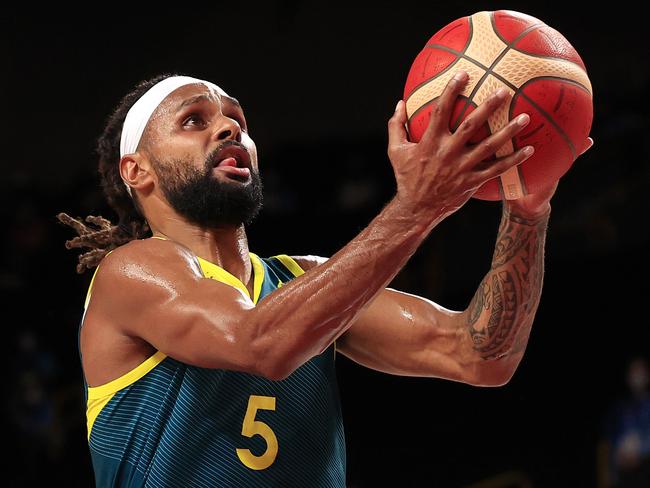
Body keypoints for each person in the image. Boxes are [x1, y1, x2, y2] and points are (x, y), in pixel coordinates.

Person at [58, 71, 592, 487]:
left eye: (237, 120)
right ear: (137, 171)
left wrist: (527, 210)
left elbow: (479, 354)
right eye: (193, 121)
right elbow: (260, 343)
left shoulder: (304, 283)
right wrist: (418, 207)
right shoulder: (129, 272)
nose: (230, 128)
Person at [599, 356, 650, 488]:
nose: (637, 376)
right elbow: (607, 442)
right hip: (623, 474)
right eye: (633, 372)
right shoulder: (619, 408)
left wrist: (639, 453)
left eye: (640, 371)